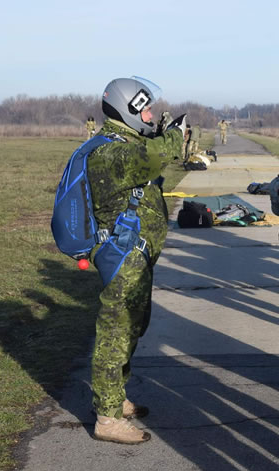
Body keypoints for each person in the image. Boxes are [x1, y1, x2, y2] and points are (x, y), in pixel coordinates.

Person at [87, 77, 185, 444]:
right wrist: (172, 135)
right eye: (144, 109)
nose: (149, 115)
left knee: (132, 327)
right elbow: (157, 156)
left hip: (136, 255)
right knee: (116, 332)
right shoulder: (111, 151)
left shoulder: (126, 143)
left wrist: (158, 131)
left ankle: (115, 398)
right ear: (127, 110)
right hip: (123, 256)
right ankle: (107, 418)